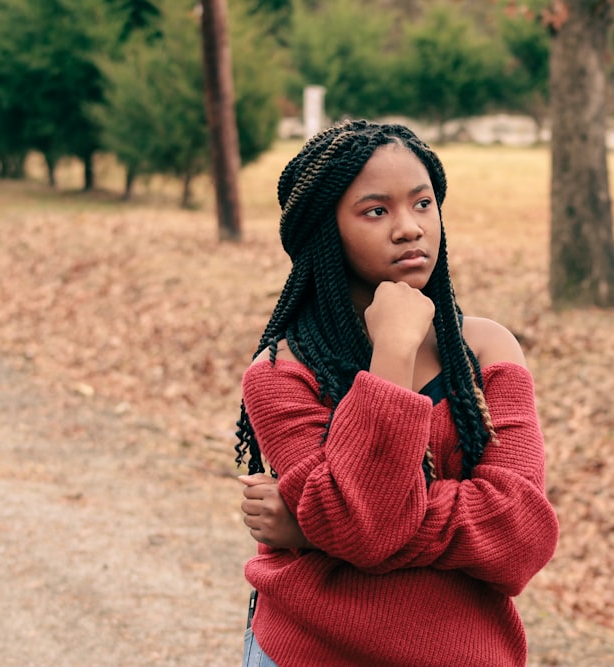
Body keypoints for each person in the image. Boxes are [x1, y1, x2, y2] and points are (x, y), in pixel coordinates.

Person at [234, 119, 559, 667]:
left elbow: (521, 535)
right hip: (313, 653)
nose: (409, 228)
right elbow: (362, 525)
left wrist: (318, 529)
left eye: (423, 204)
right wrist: (393, 352)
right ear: (324, 231)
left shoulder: (485, 351)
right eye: (376, 210)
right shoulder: (280, 374)